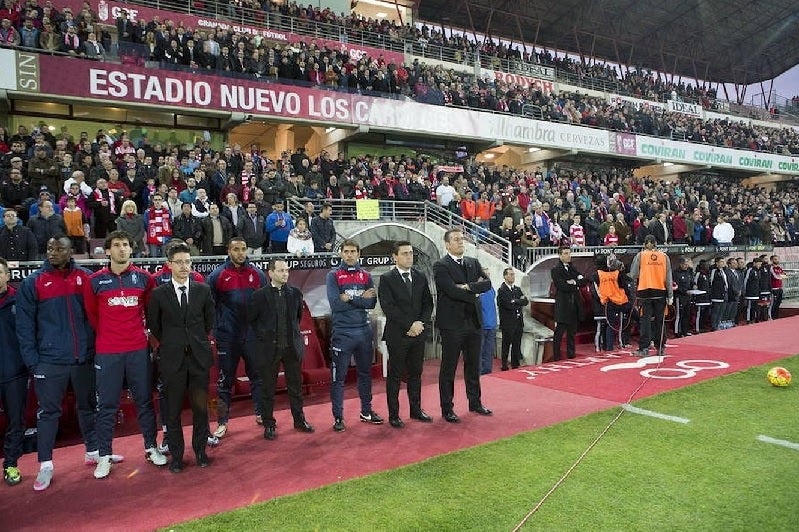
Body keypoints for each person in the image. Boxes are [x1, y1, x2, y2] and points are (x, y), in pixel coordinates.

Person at [16, 236, 124, 490]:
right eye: (49, 248)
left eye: (59, 248)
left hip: (84, 357)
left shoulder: (86, 277)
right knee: (48, 413)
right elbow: (24, 326)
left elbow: (95, 315)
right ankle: (45, 465)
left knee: (88, 407)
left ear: (70, 251)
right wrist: (34, 363)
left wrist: (94, 349)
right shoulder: (33, 282)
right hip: (49, 361)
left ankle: (94, 451)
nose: (53, 252)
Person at [84, 230, 167, 479]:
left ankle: (151, 447)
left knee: (144, 401)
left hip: (137, 351)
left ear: (131, 249)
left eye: (125, 245)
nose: (122, 249)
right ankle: (104, 455)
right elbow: (92, 317)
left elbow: (151, 313)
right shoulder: (94, 281)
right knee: (106, 406)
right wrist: (110, 337)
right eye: (117, 245)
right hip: (108, 352)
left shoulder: (144, 279)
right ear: (108, 250)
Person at [146, 242, 214, 473]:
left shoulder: (203, 290)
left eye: (188, 262)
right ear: (169, 265)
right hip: (172, 360)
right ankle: (176, 456)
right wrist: (174, 342)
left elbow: (209, 322)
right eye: (180, 262)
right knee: (172, 411)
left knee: (200, 409)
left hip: (198, 359)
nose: (184, 266)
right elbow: (155, 326)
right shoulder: (158, 294)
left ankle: (200, 451)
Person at [247, 259, 315, 440]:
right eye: (281, 270)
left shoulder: (295, 294)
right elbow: (252, 320)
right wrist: (264, 335)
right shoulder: (259, 296)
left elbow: (297, 319)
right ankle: (269, 424)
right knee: (267, 390)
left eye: (286, 270)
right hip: (269, 349)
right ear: (270, 273)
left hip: (291, 348)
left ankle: (299, 420)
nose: (285, 274)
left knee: (296, 388)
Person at [207, 236, 267, 438]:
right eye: (236, 249)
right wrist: (218, 330)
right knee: (224, 381)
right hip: (227, 337)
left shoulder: (257, 274)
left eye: (243, 249)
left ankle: (261, 413)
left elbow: (264, 303)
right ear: (229, 251)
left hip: (252, 336)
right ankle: (222, 422)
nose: (241, 253)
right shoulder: (217, 276)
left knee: (258, 377)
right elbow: (210, 307)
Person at [433, 229, 493, 423]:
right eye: (456, 239)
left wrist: (468, 287)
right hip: (452, 325)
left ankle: (475, 402)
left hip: (473, 322)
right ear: (447, 244)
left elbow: (487, 284)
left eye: (462, 239)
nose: (461, 242)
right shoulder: (441, 265)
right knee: (449, 368)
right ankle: (447, 408)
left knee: (473, 365)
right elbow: (451, 291)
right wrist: (474, 291)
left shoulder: (473, 262)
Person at [326, 239, 382, 432]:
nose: (349, 255)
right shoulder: (333, 276)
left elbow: (371, 303)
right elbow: (336, 305)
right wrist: (360, 298)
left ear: (358, 254)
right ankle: (338, 418)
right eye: (346, 251)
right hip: (342, 333)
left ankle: (366, 411)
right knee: (338, 378)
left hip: (364, 332)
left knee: (365, 374)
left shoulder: (366, 276)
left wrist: (349, 298)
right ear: (341, 253)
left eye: (353, 251)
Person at [378, 241, 434, 428]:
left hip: (418, 334)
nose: (409, 256)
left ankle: (415, 410)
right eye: (404, 253)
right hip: (398, 335)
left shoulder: (420, 276)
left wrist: (420, 324)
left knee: (416, 374)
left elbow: (428, 303)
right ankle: (394, 414)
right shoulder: (387, 278)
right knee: (395, 376)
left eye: (410, 253)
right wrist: (409, 324)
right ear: (395, 257)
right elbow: (388, 307)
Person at [0, 258, 26, 487]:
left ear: (8, 275)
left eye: (0, 272)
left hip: (14, 372)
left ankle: (10, 464)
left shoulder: (19, 300)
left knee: (15, 422)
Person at [629, 235, 673, 357]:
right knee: (660, 321)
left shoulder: (640, 256)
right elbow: (668, 277)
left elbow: (633, 275)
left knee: (645, 322)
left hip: (645, 293)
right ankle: (660, 348)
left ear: (644, 244)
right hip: (660, 293)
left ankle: (644, 348)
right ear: (656, 243)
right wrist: (670, 295)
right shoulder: (664, 257)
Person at [550, 247, 588, 360]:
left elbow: (584, 281)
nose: (568, 256)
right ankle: (556, 357)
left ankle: (571, 355)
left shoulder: (573, 268)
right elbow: (561, 285)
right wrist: (575, 284)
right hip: (563, 306)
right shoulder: (556, 270)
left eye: (569, 253)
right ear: (560, 255)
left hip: (574, 305)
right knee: (559, 333)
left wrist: (574, 282)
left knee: (572, 332)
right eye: (566, 253)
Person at [497, 267, 529, 370]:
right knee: (506, 344)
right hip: (508, 322)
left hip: (518, 321)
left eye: (513, 274)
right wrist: (517, 302)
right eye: (510, 274)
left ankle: (515, 364)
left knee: (517, 344)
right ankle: (504, 365)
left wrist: (515, 301)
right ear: (505, 276)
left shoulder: (517, 289)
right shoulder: (502, 290)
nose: (512, 276)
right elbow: (507, 305)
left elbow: (525, 301)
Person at [478, 286, 498, 375]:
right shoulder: (487, 289)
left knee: (486, 350)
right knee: (483, 350)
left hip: (489, 324)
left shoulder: (489, 289)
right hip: (485, 324)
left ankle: (485, 370)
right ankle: (482, 370)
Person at [768, 255, 787, 320]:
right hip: (774, 289)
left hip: (780, 288)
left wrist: (780, 276)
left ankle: (776, 317)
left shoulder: (779, 268)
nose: (777, 260)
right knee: (773, 304)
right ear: (771, 260)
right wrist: (780, 276)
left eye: (778, 259)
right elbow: (775, 277)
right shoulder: (771, 268)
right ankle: (771, 317)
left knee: (778, 304)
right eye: (775, 259)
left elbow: (785, 276)